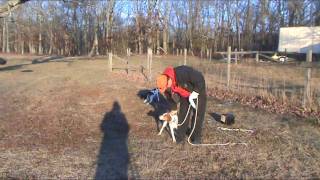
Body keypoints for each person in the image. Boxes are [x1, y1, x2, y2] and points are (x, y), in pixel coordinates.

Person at [156, 65, 207, 144]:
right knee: (183, 112)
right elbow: (170, 98)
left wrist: (195, 92)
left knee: (198, 113)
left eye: (166, 87)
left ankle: (196, 136)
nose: (166, 89)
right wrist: (173, 110)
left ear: (169, 80)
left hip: (198, 89)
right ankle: (180, 136)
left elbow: (200, 79)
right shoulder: (166, 84)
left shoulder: (182, 72)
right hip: (185, 93)